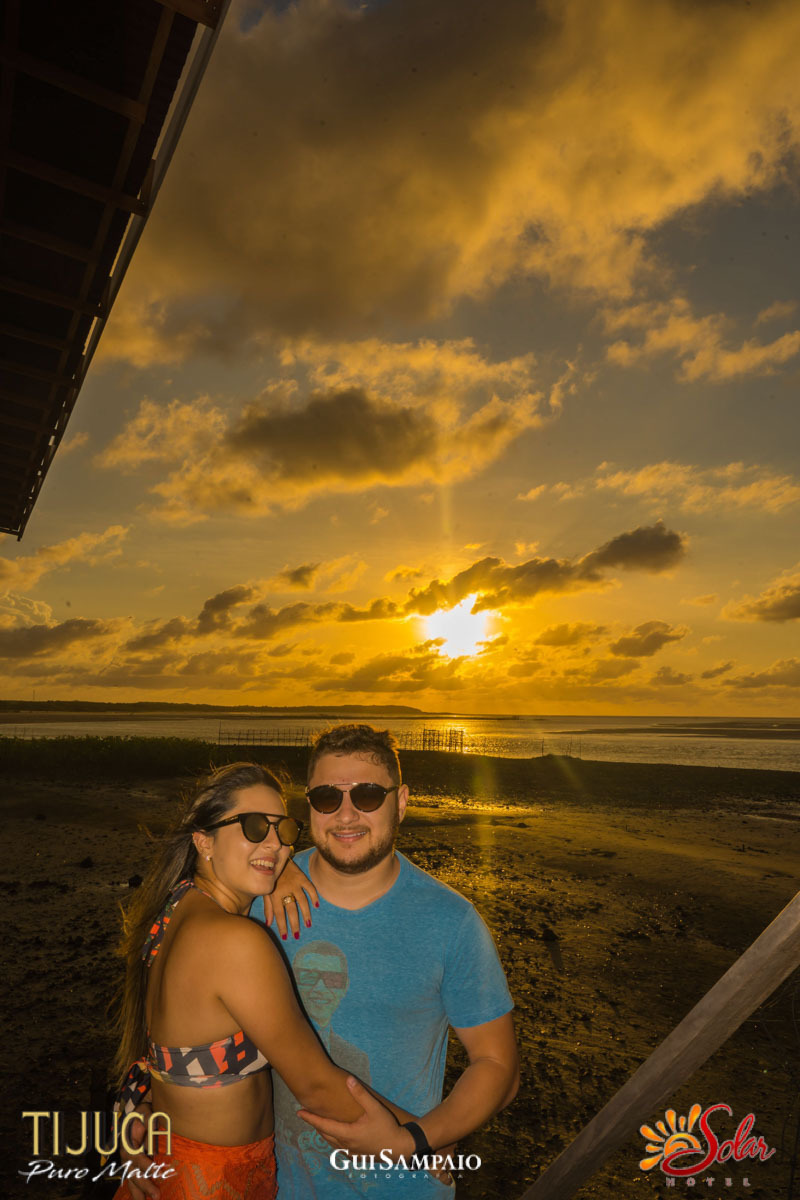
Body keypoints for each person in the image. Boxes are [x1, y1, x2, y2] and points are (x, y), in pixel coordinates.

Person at [111, 761, 411, 1200]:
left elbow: (160, 1049)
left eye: (283, 830)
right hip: (212, 1180)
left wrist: (275, 865)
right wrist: (424, 1139)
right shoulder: (235, 941)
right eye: (254, 826)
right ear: (203, 840)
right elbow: (315, 1085)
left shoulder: (174, 912)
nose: (274, 843)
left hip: (173, 1164)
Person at [256, 724, 519, 1197]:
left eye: (369, 795)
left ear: (401, 802)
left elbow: (498, 1065)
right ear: (309, 806)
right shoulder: (262, 898)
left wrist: (416, 1140)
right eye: (326, 798)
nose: (347, 814)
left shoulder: (450, 920)